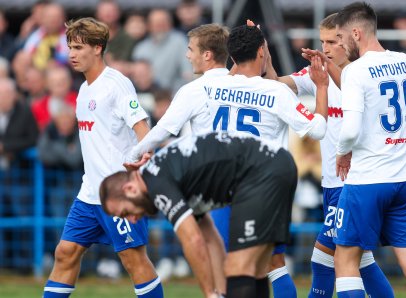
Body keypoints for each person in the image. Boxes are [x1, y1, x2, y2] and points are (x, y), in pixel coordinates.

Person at [269, 13, 393, 298]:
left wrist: (324, 77)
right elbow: (275, 83)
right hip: (331, 182)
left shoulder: (362, 75)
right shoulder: (316, 76)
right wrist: (263, 52)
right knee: (360, 260)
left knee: (326, 258)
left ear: (349, 38)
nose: (325, 48)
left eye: (332, 41)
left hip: (351, 182)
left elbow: (348, 90)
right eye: (321, 41)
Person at [204, 24, 329, 298]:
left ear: (232, 56)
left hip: (223, 186)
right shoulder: (276, 93)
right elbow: (317, 129)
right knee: (273, 265)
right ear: (262, 51)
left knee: (230, 263)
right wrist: (321, 87)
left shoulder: (212, 87)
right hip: (264, 188)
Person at [42, 18, 163, 298]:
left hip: (118, 193)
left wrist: (139, 176)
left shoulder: (116, 84)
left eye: (78, 47)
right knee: (66, 252)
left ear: (98, 48)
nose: (71, 53)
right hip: (89, 192)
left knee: (133, 259)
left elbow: (144, 131)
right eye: (70, 47)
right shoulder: (84, 90)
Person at [100, 132, 298, 298]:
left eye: (126, 212)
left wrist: (209, 294)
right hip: (277, 163)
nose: (133, 219)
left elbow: (193, 241)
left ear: (130, 189)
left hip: (261, 173)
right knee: (256, 270)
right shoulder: (167, 178)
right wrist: (219, 293)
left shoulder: (157, 184)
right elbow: (209, 238)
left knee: (239, 267)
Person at [332, 3, 406, 297]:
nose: (341, 45)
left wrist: (342, 151)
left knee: (345, 259)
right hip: (405, 177)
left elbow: (351, 128)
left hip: (368, 178)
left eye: (341, 38)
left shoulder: (355, 71)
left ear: (356, 32)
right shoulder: (405, 61)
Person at [125, 23, 230, 294]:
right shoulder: (244, 82)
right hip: (254, 172)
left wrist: (134, 152)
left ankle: (212, 292)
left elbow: (163, 130)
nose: (187, 55)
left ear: (207, 54)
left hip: (215, 177)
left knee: (203, 237)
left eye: (190, 49)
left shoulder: (194, 89)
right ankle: (220, 293)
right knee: (265, 261)